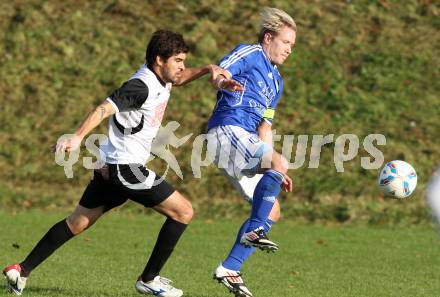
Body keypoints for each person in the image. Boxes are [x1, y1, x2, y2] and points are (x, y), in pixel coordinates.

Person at [3, 30, 242, 297]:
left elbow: (181, 78)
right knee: (183, 212)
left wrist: (208, 69)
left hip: (111, 165)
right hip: (126, 168)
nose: (182, 66)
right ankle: (149, 279)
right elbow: (104, 108)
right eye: (177, 60)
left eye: (183, 60)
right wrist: (78, 136)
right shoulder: (140, 86)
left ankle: (20, 269)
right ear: (159, 60)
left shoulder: (163, 78)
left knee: (77, 222)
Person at [207, 7, 296, 297]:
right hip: (226, 131)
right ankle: (254, 231)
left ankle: (230, 268)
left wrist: (273, 168)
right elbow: (220, 72)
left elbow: (265, 126)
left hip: (246, 140)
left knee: (272, 210)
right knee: (278, 163)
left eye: (292, 46)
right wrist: (223, 82)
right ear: (268, 37)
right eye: (286, 43)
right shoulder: (250, 53)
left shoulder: (277, 82)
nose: (289, 50)